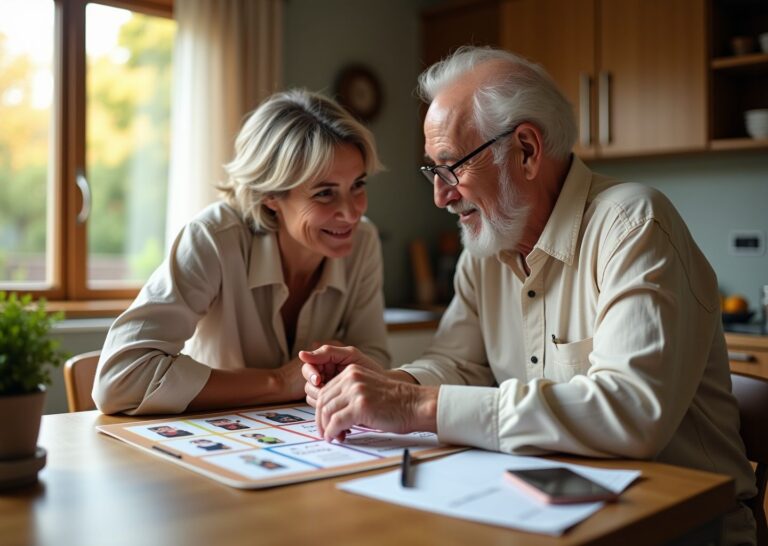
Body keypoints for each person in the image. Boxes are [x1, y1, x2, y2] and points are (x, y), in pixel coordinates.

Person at [301, 47, 757, 544]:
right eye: (433, 171)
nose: (441, 195)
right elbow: (458, 364)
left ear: (525, 150)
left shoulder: (632, 224)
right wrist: (381, 384)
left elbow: (628, 413)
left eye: (451, 167)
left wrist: (415, 405)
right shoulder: (486, 250)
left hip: (680, 527)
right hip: (545, 514)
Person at [93, 89, 390, 415]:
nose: (351, 213)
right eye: (324, 194)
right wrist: (278, 382)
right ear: (270, 195)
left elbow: (374, 361)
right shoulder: (213, 237)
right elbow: (118, 380)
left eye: (358, 186)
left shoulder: (363, 241)